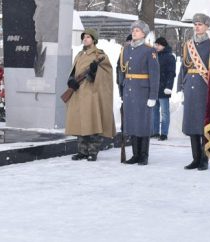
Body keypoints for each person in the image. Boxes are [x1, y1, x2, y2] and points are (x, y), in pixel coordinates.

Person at [65, 28, 114, 161]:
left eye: (88, 37)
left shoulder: (100, 55)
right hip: (78, 93)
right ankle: (82, 151)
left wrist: (93, 73)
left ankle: (92, 152)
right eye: (84, 37)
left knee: (92, 122)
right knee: (80, 122)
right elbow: (73, 71)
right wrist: (71, 82)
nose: (85, 39)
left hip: (92, 94)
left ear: (94, 39)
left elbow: (106, 75)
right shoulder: (80, 55)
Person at [117, 20, 159, 165]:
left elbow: (155, 74)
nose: (134, 32)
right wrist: (122, 91)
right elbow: (122, 71)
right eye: (133, 30)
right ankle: (135, 154)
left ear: (143, 34)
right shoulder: (127, 49)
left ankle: (143, 155)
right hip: (129, 89)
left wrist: (153, 95)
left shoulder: (149, 50)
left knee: (143, 123)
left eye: (137, 30)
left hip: (143, 91)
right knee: (132, 123)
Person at [177, 13, 210, 170]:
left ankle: (204, 158)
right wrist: (180, 87)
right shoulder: (188, 45)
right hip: (190, 87)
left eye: (200, 24)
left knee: (204, 125)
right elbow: (183, 67)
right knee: (192, 124)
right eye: (195, 24)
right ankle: (195, 158)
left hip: (205, 88)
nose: (197, 27)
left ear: (206, 26)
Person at [151, 36, 176, 141]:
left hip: (164, 88)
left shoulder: (170, 57)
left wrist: (168, 87)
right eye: (156, 44)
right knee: (154, 111)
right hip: (154, 88)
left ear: (163, 45)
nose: (156, 46)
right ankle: (155, 131)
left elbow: (171, 73)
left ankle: (164, 133)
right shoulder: (153, 55)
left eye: (158, 44)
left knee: (164, 112)